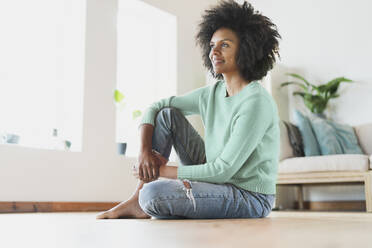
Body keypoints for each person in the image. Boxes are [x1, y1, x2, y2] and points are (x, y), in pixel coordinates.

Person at [97, 0, 281, 219]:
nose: (214, 51)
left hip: (249, 196)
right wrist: (144, 152)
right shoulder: (212, 93)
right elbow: (156, 107)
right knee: (167, 115)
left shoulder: (255, 102)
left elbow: (223, 171)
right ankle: (138, 200)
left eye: (225, 45)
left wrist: (161, 171)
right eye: (212, 45)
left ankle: (151, 200)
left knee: (154, 194)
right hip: (217, 180)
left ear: (247, 48)